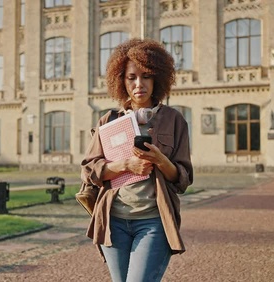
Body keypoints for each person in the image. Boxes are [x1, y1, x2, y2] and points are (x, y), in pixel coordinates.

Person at [81, 38, 193, 282]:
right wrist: (125, 165)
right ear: (122, 80)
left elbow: (183, 179)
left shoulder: (175, 121)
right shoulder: (107, 122)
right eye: (131, 77)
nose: (139, 84)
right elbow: (89, 171)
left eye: (146, 76)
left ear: (157, 79)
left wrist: (161, 160)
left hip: (154, 221)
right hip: (114, 222)